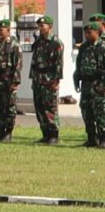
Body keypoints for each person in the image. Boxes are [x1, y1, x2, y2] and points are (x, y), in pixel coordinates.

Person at [29, 18, 64, 146]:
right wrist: (33, 78)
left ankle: (54, 135)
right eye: (39, 26)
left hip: (49, 80)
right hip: (38, 79)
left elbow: (59, 64)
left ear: (50, 26)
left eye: (43, 26)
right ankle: (45, 134)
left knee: (50, 108)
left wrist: (56, 80)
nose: (40, 28)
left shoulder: (56, 43)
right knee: (39, 108)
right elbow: (34, 63)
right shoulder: (38, 42)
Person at [79, 23, 105, 148]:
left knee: (100, 112)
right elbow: (79, 64)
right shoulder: (84, 47)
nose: (87, 35)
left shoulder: (102, 47)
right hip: (86, 84)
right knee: (86, 111)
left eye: (90, 32)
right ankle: (91, 138)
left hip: (99, 83)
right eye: (86, 33)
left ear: (97, 32)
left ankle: (103, 138)